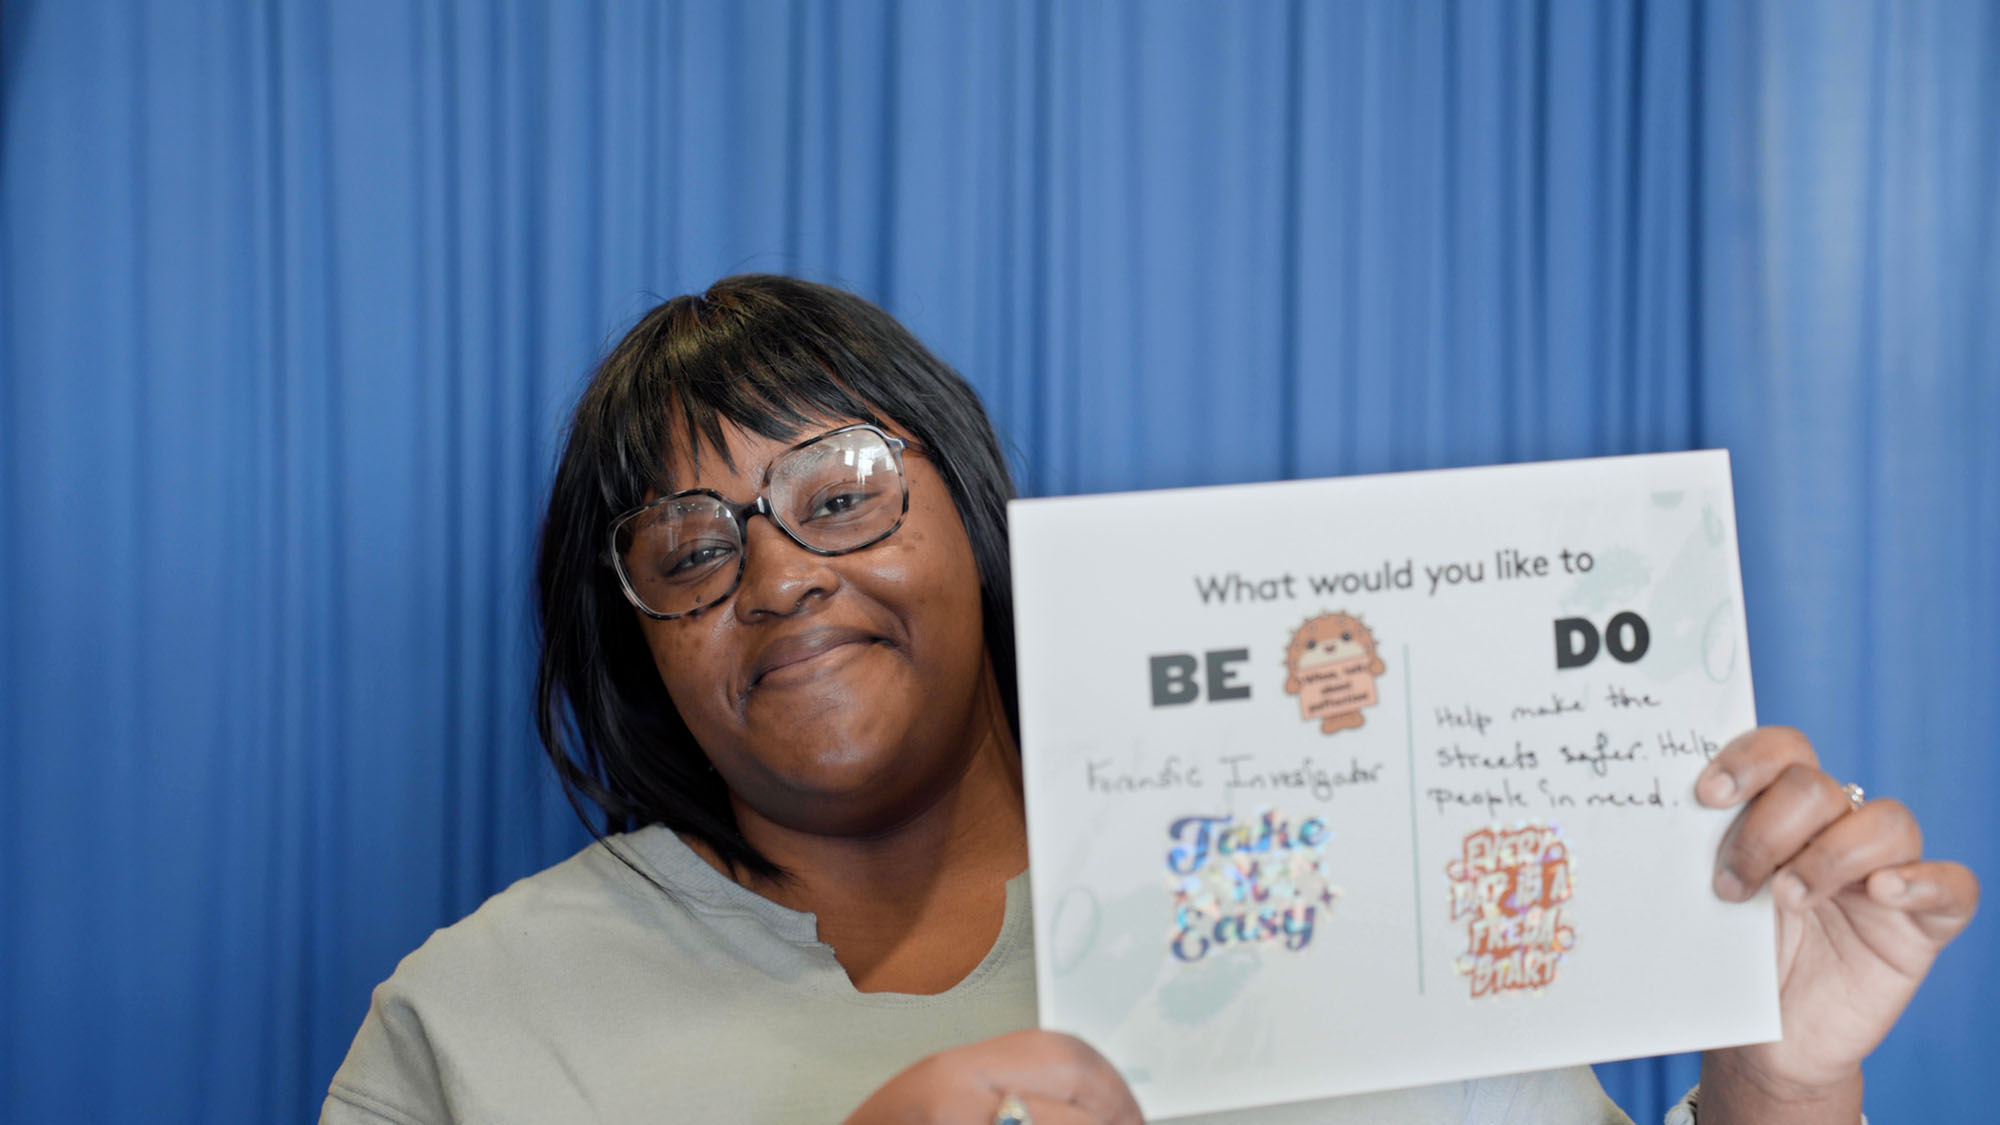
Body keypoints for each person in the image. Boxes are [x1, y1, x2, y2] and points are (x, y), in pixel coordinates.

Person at [324, 275, 1978, 1124]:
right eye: (687, 546)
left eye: (840, 492)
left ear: (975, 524)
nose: (778, 577)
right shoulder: (476, 1028)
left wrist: (1779, 1086)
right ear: (635, 639)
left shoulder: (1362, 885)